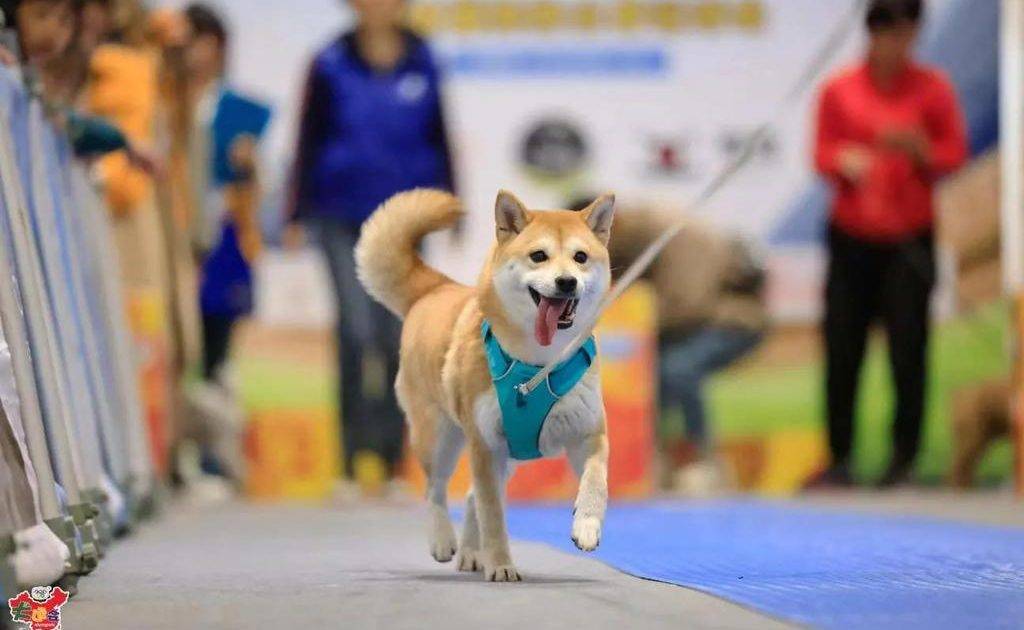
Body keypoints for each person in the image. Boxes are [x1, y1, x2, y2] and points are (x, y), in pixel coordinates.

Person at [286, 0, 456, 491]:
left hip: (406, 221)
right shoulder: (328, 62)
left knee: (398, 339)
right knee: (355, 334)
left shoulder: (425, 60)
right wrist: (294, 211)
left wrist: (449, 204)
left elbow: (441, 137)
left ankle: (393, 461)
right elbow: (307, 138)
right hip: (339, 214)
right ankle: (349, 462)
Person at [807, 0, 967, 489]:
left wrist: (920, 149)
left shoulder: (933, 87)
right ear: (871, 34)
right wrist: (844, 160)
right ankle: (841, 458)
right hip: (852, 238)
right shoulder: (839, 88)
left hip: (908, 240)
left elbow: (953, 154)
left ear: (916, 32)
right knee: (842, 346)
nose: (894, 46)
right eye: (885, 35)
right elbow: (821, 153)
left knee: (909, 348)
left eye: (904, 35)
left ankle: (905, 459)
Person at [569, 198, 768, 494]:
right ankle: (651, 457)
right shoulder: (627, 240)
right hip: (683, 323)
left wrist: (625, 324)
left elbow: (688, 304)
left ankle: (699, 460)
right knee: (634, 375)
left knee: (674, 369)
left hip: (729, 318)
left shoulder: (672, 233)